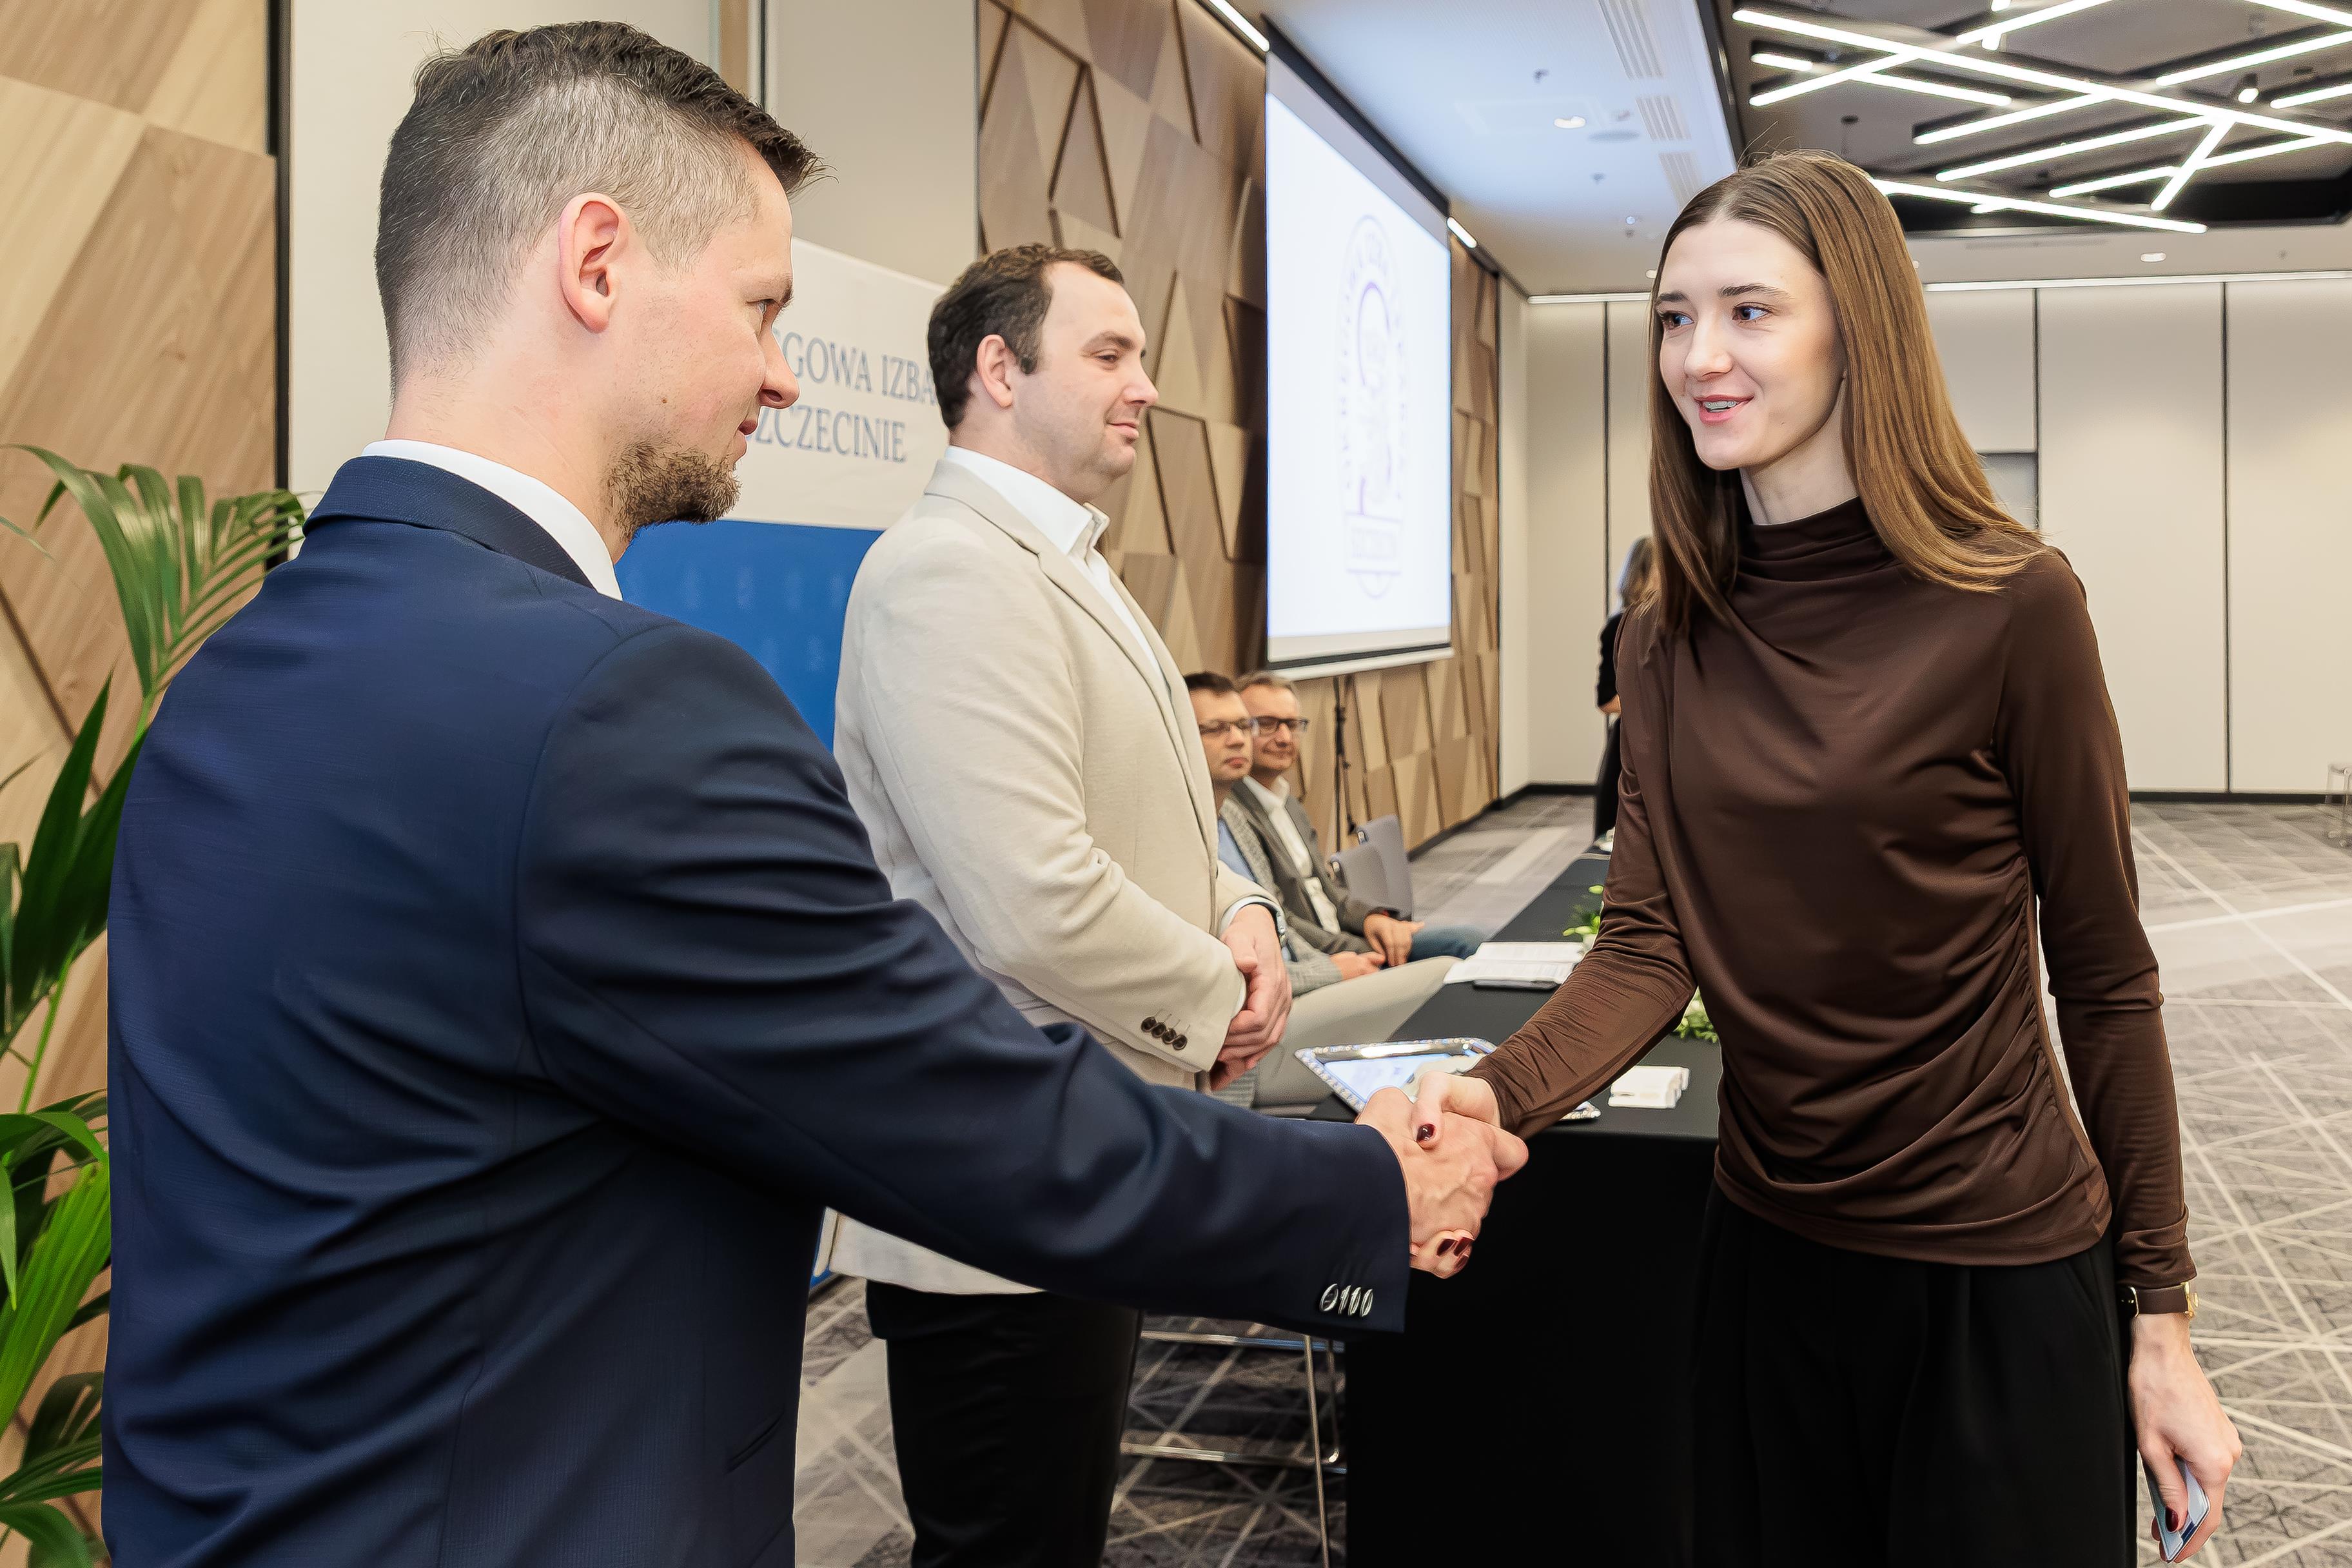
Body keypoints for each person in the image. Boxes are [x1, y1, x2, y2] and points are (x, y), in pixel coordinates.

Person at [99, 26, 1525, 1567]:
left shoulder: (227, 682)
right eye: (762, 307)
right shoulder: (618, 706)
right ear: (596, 263)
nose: (784, 371)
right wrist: (1364, 1189)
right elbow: (955, 1103)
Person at [1412, 150, 2237, 1567]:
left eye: (1749, 311)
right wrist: (1496, 1094)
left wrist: (2157, 1317)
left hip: (1993, 1269)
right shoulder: (1664, 637)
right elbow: (1646, 942)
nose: (1699, 357)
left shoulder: (2011, 606)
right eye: (1674, 317)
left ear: (1857, 328)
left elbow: (2105, 978)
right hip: (1768, 1258)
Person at [826, 244, 1298, 1568]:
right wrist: (1218, 1000)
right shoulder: (948, 572)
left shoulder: (1065, 559)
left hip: (1083, 1148)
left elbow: (1162, 813)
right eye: (1109, 354)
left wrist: (1246, 910)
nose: (1145, 386)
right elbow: (1030, 897)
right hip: (999, 1182)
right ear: (999, 368)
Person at [1190, 673, 1459, 1068]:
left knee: (1464, 950)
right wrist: (1338, 964)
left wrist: (1371, 919)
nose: (1239, 739)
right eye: (1265, 724)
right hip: (1283, 996)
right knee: (1452, 970)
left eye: (1243, 726)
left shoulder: (1266, 809)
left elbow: (1316, 896)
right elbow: (1266, 940)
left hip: (1321, 957)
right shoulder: (1215, 821)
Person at [1233, 671, 1484, 962]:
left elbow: (1329, 889)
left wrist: (1371, 918)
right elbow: (1278, 919)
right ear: (1239, 730)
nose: (1285, 738)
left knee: (1476, 943)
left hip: (1346, 935)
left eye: (1292, 724)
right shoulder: (1234, 817)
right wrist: (1360, 950)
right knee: (1467, 944)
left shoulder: (1287, 802)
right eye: (1267, 725)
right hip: (1325, 957)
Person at [1591, 534, 1655, 845]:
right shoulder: (1620, 626)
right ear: (1643, 574)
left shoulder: (1678, 624)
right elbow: (1607, 701)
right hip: (1631, 746)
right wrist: (1656, 704)